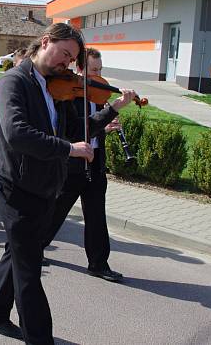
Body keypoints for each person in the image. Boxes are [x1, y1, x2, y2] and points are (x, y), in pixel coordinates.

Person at [0, 23, 137, 344]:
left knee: (19, 252)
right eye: (65, 54)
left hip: (45, 186)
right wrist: (69, 149)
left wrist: (110, 111)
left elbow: (76, 128)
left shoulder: (53, 86)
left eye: (72, 58)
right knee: (29, 270)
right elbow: (17, 133)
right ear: (46, 41)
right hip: (16, 187)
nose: (67, 63)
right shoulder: (14, 81)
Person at [41, 48, 124, 282]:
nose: (99, 76)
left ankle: (98, 263)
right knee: (57, 209)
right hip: (73, 163)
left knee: (97, 214)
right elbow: (73, 130)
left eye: (100, 70)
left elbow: (97, 128)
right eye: (93, 70)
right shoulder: (68, 96)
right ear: (80, 70)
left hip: (96, 162)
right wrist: (103, 123)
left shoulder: (99, 95)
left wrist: (107, 126)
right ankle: (35, 247)